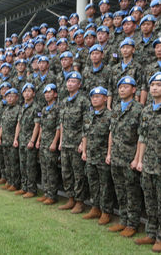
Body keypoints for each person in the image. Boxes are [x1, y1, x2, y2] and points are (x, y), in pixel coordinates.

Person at [133, 71, 161, 253]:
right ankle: (151, 233)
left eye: (159, 85)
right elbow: (142, 137)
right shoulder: (146, 110)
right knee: (150, 202)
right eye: (152, 85)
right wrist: (139, 160)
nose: (155, 88)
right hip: (148, 163)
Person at [107, 76, 144, 237]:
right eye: (120, 87)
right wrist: (109, 152)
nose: (122, 89)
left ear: (134, 89)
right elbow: (111, 133)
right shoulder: (115, 108)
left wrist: (137, 159)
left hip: (130, 157)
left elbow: (141, 136)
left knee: (132, 192)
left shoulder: (139, 109)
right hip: (116, 156)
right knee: (120, 190)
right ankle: (122, 220)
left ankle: (132, 223)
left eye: (126, 87)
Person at [80, 86, 114, 224]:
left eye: (98, 96)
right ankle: (95, 207)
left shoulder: (110, 116)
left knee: (105, 185)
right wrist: (84, 150)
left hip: (103, 155)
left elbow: (112, 136)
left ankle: (106, 211)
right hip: (90, 155)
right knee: (93, 183)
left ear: (105, 98)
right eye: (93, 97)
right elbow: (85, 134)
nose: (95, 99)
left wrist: (109, 153)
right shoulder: (88, 115)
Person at [58, 71, 89, 214]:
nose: (70, 84)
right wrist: (61, 141)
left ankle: (79, 201)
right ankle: (70, 198)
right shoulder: (64, 102)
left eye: (73, 81)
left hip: (77, 143)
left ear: (79, 84)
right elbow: (62, 123)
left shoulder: (83, 101)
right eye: (68, 81)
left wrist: (83, 144)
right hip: (65, 143)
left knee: (78, 174)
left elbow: (86, 124)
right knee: (66, 172)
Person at [36, 84, 61, 205]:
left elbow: (58, 127)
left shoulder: (57, 108)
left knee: (51, 169)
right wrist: (38, 140)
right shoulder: (44, 109)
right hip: (43, 143)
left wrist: (54, 142)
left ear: (55, 94)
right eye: (45, 92)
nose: (47, 94)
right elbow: (41, 126)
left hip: (51, 143)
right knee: (44, 168)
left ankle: (52, 195)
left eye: (50, 92)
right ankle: (46, 192)